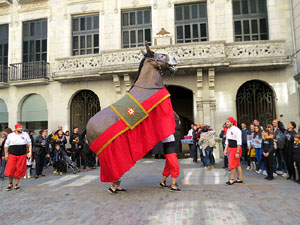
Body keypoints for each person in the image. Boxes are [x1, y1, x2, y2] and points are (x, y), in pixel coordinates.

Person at [4, 124, 32, 191]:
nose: (21, 128)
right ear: (16, 128)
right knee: (10, 170)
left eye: (22, 127)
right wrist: (6, 154)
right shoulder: (10, 135)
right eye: (19, 127)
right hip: (12, 155)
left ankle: (16, 185)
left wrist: (30, 152)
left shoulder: (25, 135)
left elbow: (29, 144)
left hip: (22, 155)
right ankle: (10, 184)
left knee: (19, 170)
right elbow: (6, 145)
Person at [224, 117, 243, 185]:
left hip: (235, 148)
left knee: (232, 165)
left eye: (228, 122)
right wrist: (225, 150)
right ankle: (240, 178)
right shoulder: (228, 130)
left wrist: (237, 152)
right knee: (237, 164)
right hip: (230, 148)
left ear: (232, 122)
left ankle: (231, 179)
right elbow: (227, 141)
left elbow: (239, 142)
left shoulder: (237, 130)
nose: (227, 123)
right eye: (226, 122)